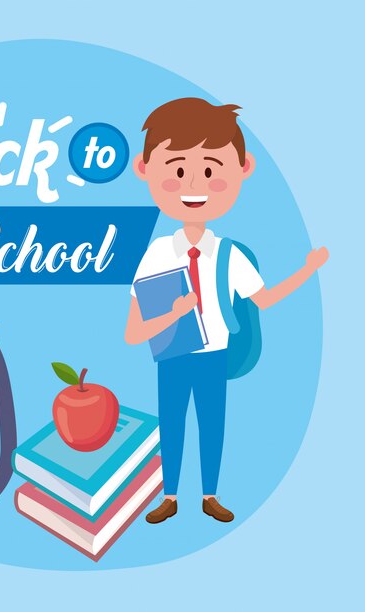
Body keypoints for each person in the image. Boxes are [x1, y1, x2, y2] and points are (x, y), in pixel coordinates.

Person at [125, 98, 328, 523]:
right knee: (173, 429)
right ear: (147, 169)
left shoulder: (231, 256)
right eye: (178, 171)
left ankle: (210, 495)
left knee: (212, 428)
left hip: (214, 359)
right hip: (173, 359)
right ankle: (171, 496)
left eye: (211, 170)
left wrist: (307, 272)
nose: (192, 184)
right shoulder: (157, 256)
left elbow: (264, 299)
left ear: (242, 168)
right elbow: (133, 332)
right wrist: (176, 312)